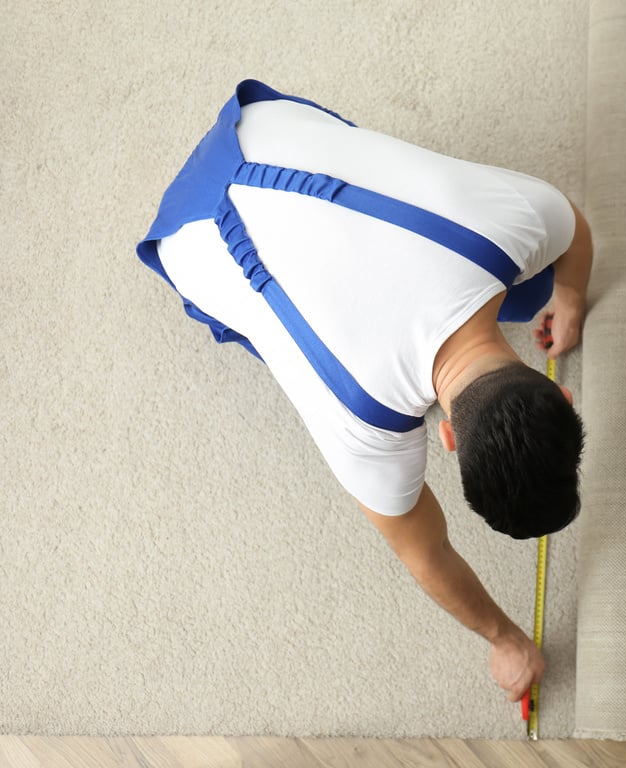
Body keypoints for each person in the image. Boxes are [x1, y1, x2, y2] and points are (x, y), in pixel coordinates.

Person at [136, 80, 591, 704]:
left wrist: (567, 296)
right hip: (187, 239)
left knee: (530, 286)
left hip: (266, 131)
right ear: (448, 437)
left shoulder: (512, 221)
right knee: (271, 335)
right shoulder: (361, 427)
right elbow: (426, 555)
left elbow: (571, 223)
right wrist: (502, 639)